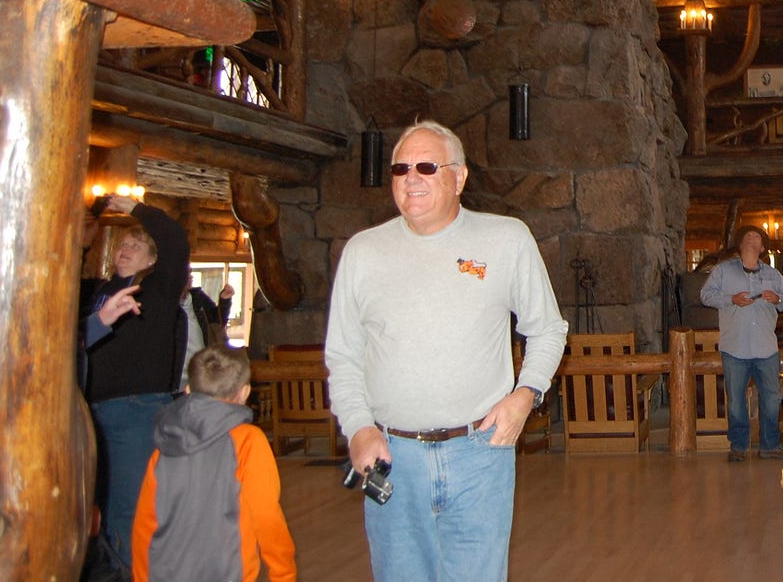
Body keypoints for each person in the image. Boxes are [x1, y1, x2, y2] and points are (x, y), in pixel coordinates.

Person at [325, 121, 568, 582]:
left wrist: (526, 395)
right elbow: (343, 355)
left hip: (480, 454)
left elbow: (548, 329)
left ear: (459, 178)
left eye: (426, 167)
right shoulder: (363, 252)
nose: (411, 178)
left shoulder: (507, 239)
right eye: (400, 168)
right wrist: (357, 427)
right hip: (392, 457)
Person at [82, 195, 192, 568]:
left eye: (136, 246)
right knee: (98, 509)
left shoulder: (156, 290)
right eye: (123, 244)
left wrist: (134, 208)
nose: (126, 249)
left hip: (135, 411)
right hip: (93, 412)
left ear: (152, 260)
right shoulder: (98, 293)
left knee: (129, 508)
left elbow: (175, 240)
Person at [132, 345, 296, 582]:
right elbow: (266, 517)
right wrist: (284, 574)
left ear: (188, 390)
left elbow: (145, 524)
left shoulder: (165, 445)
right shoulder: (248, 442)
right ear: (245, 392)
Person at [699, 225, 783, 461]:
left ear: (762, 248)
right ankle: (738, 447)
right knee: (735, 401)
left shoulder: (773, 275)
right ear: (740, 245)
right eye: (749, 236)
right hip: (734, 347)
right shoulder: (723, 271)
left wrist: (777, 299)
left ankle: (770, 446)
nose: (753, 239)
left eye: (757, 238)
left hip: (766, 347)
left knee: (772, 399)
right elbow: (705, 295)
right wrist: (730, 299)